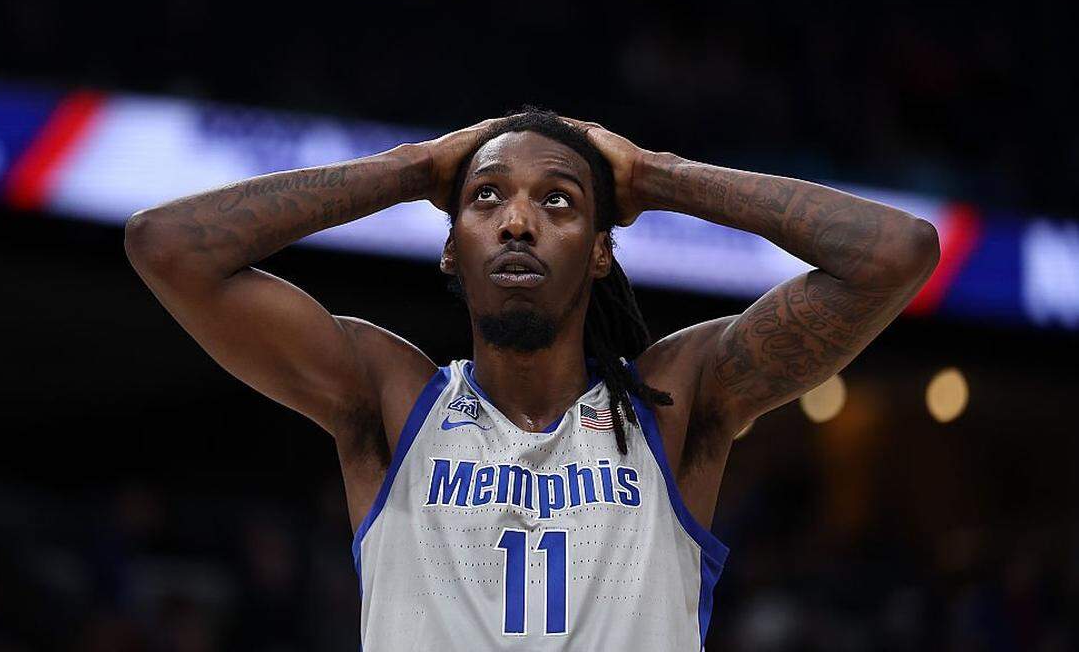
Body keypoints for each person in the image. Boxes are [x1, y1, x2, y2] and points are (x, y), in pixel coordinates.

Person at [124, 107, 939, 650]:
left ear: (600, 248)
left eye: (558, 201)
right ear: (451, 246)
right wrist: (413, 167)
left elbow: (895, 255)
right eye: (485, 198)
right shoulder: (390, 399)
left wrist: (655, 176)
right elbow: (166, 247)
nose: (517, 220)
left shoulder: (677, 402)